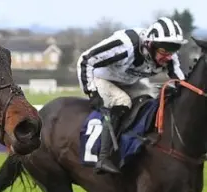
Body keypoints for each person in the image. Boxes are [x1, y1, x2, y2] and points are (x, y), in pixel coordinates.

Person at [76, 17, 188, 174]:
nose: (168, 57)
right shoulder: (125, 45)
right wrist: (92, 92)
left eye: (172, 51)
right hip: (98, 78)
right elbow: (85, 60)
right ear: (150, 44)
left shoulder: (168, 55)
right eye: (163, 51)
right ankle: (103, 157)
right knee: (122, 101)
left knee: (150, 99)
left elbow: (180, 81)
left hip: (127, 81)